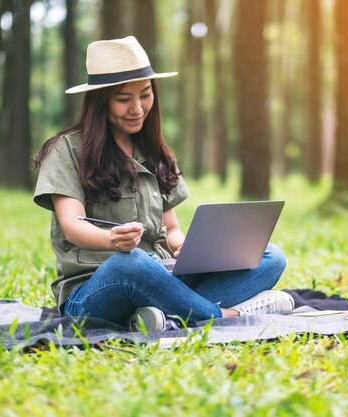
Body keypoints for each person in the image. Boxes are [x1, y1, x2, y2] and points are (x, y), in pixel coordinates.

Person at [32, 36, 293, 332]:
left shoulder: (155, 152)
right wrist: (111, 240)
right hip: (94, 289)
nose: (138, 108)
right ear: (100, 101)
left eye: (145, 95)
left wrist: (187, 248)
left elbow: (170, 229)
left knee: (270, 255)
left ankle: (162, 315)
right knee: (132, 263)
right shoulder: (66, 150)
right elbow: (72, 226)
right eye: (123, 99)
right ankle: (227, 316)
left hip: (162, 276)